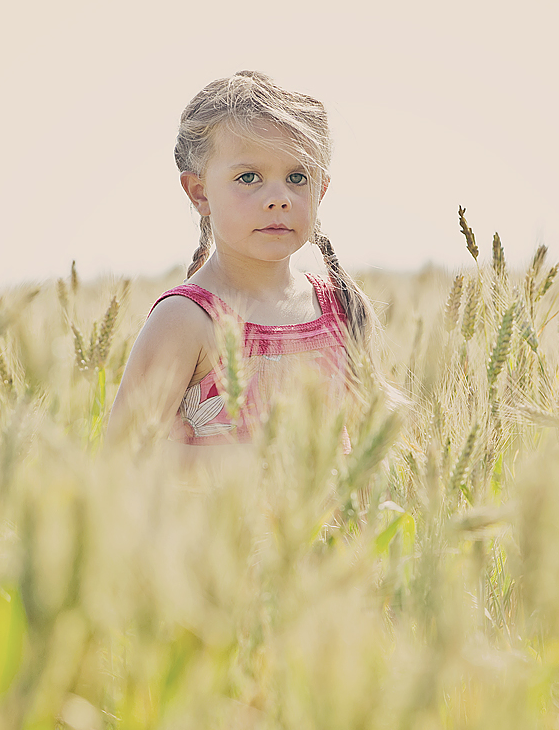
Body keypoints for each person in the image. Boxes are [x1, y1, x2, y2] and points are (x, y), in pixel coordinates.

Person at [106, 69, 386, 473]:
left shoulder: (339, 308)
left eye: (297, 177)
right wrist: (260, 463)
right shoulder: (186, 320)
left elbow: (363, 447)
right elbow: (120, 460)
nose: (278, 199)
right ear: (199, 192)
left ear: (321, 190)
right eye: (249, 177)